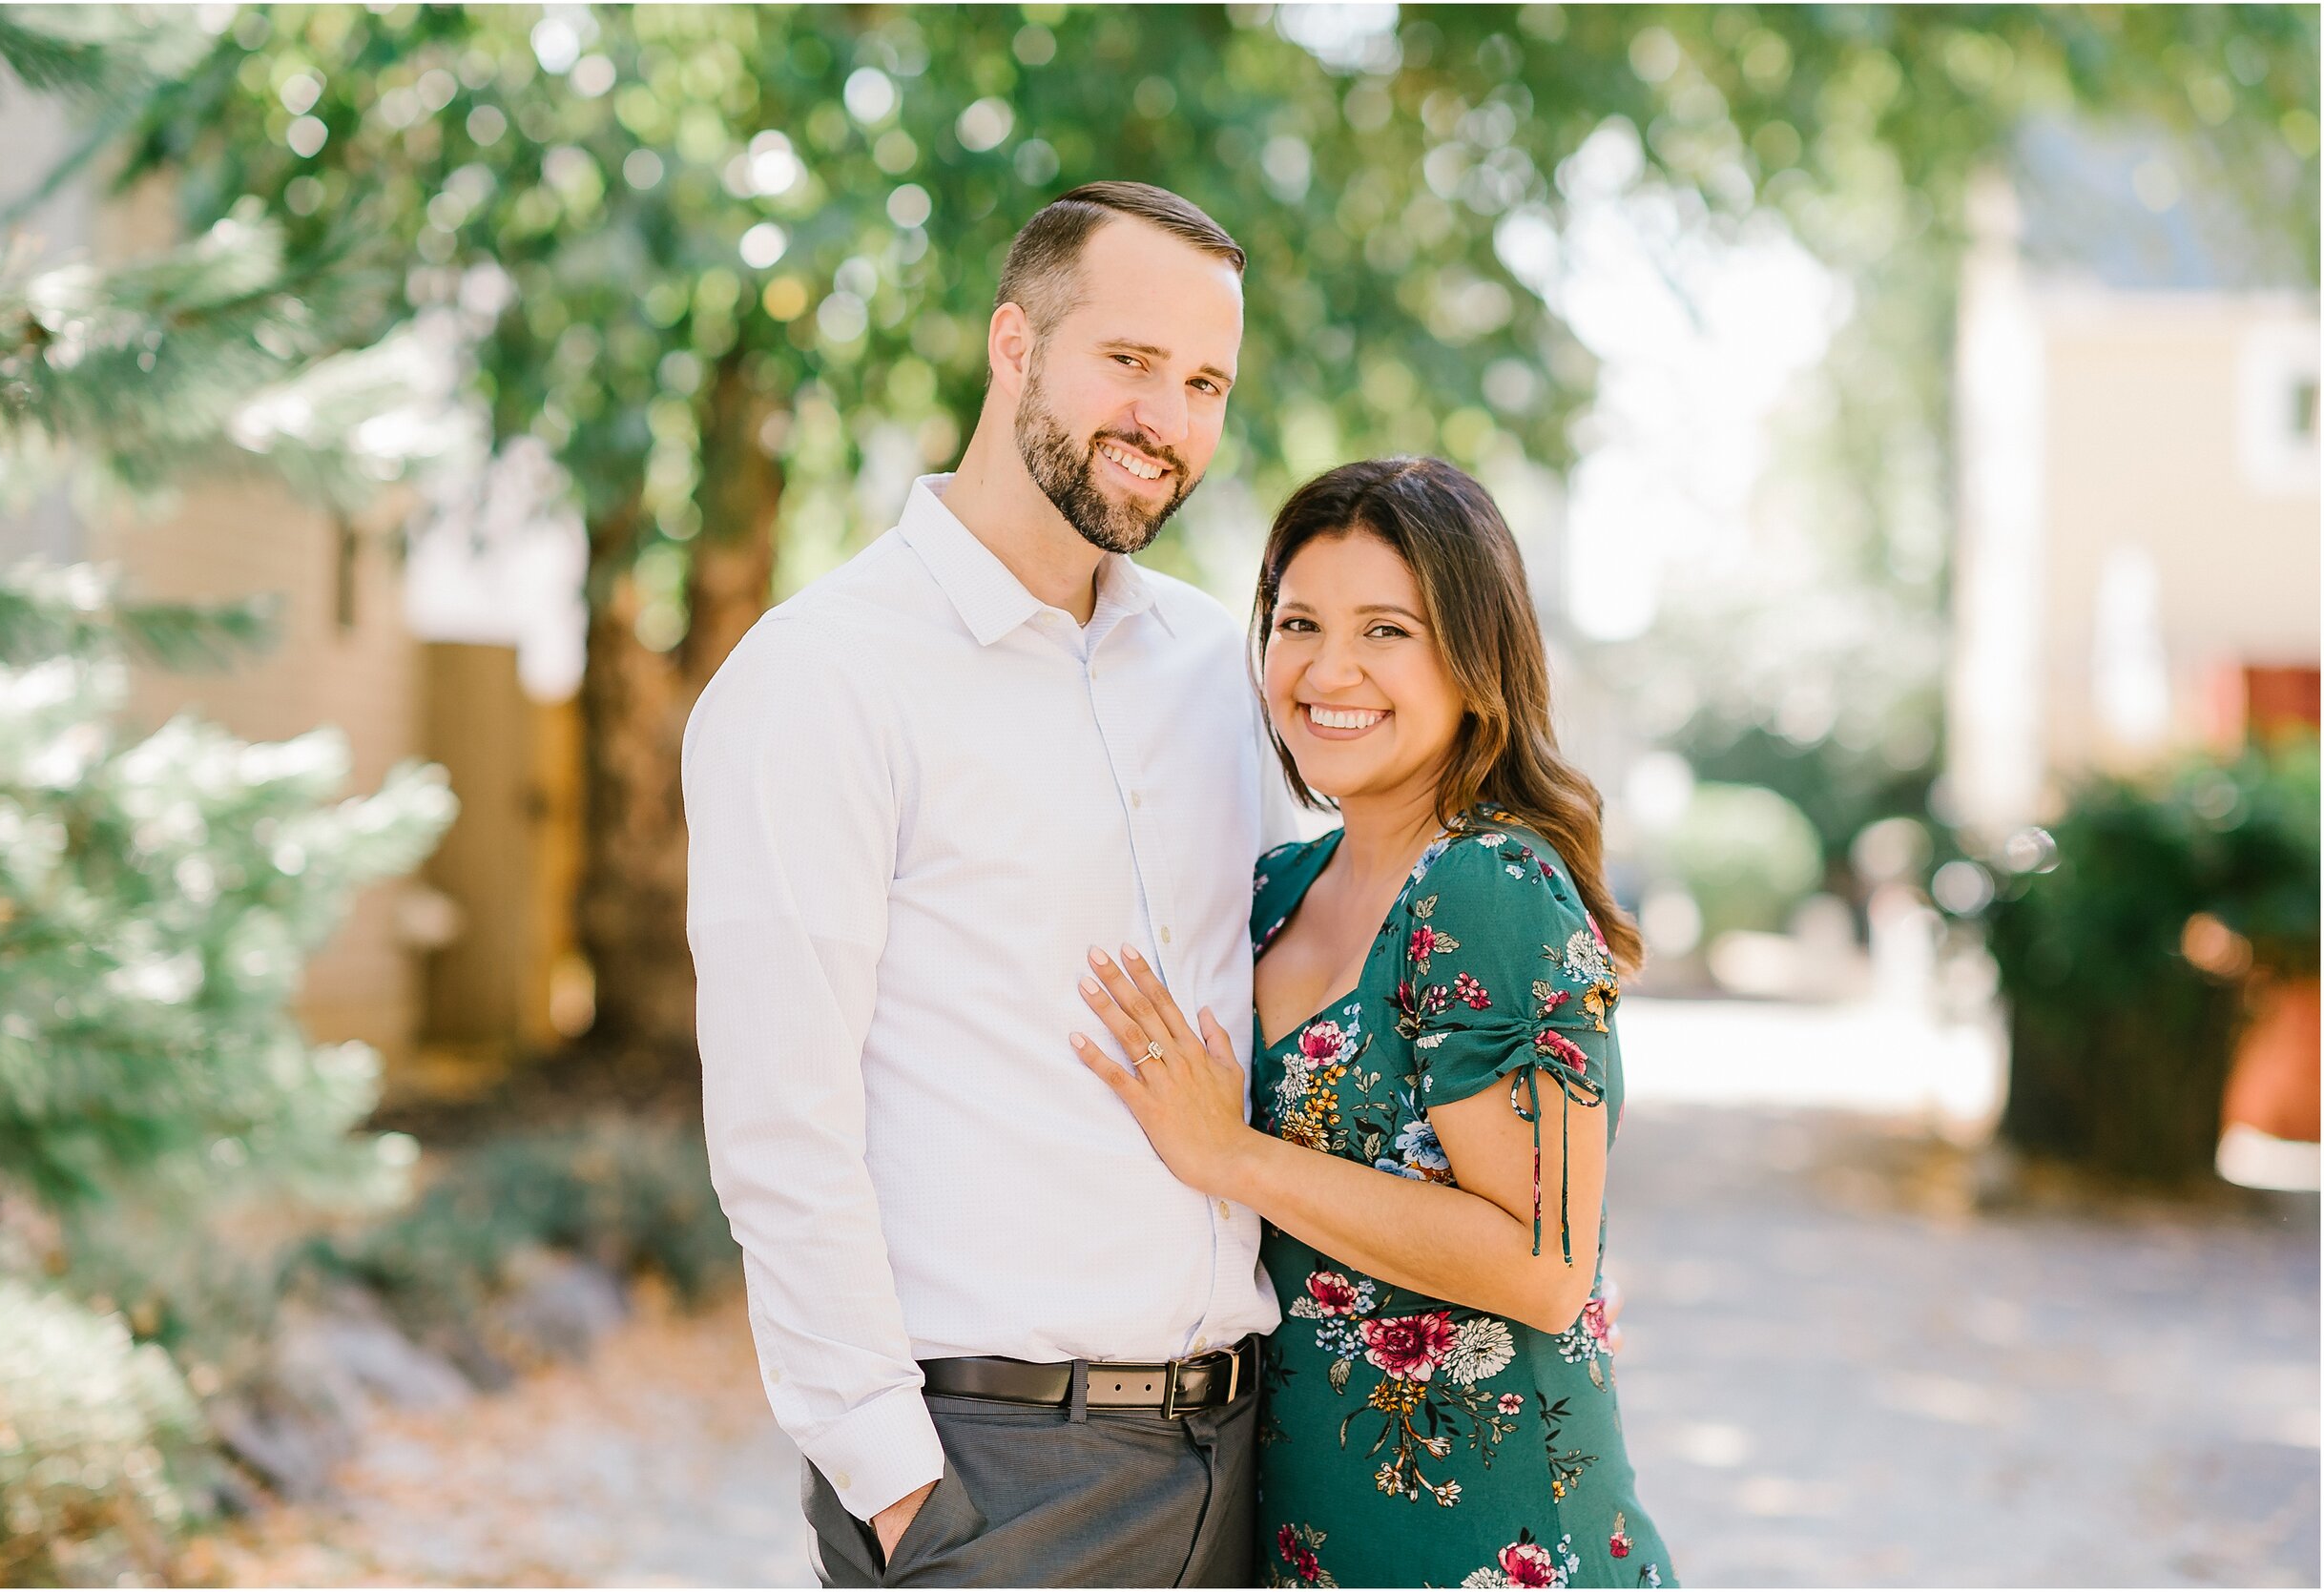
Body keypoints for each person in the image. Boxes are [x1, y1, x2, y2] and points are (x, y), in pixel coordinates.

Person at [683, 181, 1287, 1588]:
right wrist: (902, 1491)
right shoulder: (823, 677)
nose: (1167, 419)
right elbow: (783, 1128)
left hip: (1251, 1460)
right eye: (1129, 363)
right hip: (995, 1481)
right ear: (1014, 344)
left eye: (1205, 382)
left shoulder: (1222, 670)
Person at [1071, 457, 1677, 1589]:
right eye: (1297, 621)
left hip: (1490, 1546)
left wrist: (1231, 1154)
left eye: (1385, 629)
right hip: (1309, 1534)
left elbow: (1545, 1266)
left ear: (1471, 656)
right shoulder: (1272, 892)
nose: (1328, 667)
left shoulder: (1489, 885)